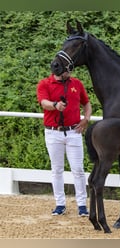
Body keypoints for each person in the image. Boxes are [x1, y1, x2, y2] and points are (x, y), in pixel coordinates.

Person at [36, 70, 92, 216]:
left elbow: (86, 103)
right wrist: (55, 105)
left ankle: (82, 205)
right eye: (67, 69)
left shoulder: (76, 83)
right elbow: (43, 103)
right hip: (53, 132)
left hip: (74, 131)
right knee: (57, 169)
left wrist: (86, 119)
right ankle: (60, 203)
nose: (70, 71)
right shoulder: (45, 84)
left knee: (78, 169)